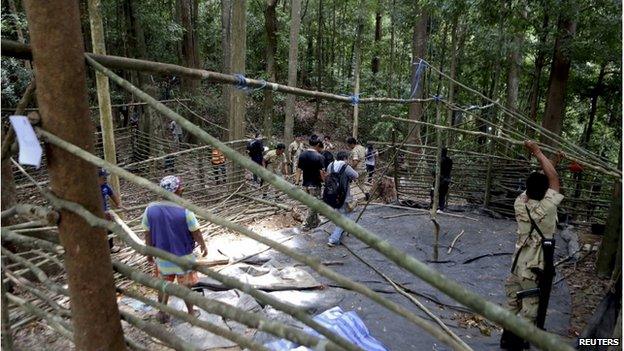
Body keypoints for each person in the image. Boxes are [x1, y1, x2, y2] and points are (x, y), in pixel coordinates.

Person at [500, 141, 563, 350]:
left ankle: (506, 339)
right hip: (534, 266)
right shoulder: (548, 207)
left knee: (511, 302)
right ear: (546, 192)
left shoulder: (520, 202)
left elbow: (545, 181)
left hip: (517, 263)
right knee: (530, 308)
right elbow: (553, 180)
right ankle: (518, 343)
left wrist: (552, 160)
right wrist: (538, 152)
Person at [142, 176, 208, 323]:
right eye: (180, 187)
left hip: (162, 256)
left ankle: (162, 313)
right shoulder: (185, 211)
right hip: (183, 257)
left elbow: (147, 233)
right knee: (186, 287)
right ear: (178, 191)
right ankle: (191, 313)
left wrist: (149, 253)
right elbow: (195, 231)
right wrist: (203, 244)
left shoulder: (150, 210)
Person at [326, 151, 359, 247]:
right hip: (343, 195)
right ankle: (334, 238)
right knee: (345, 216)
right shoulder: (345, 167)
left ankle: (339, 231)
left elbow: (328, 176)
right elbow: (356, 175)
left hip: (331, 194)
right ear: (345, 158)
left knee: (339, 214)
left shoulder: (330, 165)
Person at [297, 137, 326, 231]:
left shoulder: (302, 154)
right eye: (320, 147)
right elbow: (322, 172)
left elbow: (298, 169)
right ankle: (306, 225)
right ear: (317, 145)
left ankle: (316, 221)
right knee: (314, 205)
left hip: (305, 183)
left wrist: (297, 182)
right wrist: (325, 181)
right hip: (315, 184)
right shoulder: (319, 157)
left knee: (312, 204)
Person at [98, 168, 124, 253]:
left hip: (105, 211)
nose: (106, 179)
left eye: (106, 177)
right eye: (103, 177)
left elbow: (112, 195)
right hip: (95, 212)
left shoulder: (105, 186)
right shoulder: (92, 188)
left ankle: (110, 247)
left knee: (109, 227)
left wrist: (118, 204)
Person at [430, 148, 453, 212]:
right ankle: (440, 208)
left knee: (433, 192)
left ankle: (433, 206)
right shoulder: (450, 160)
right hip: (446, 180)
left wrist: (434, 174)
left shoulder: (440, 160)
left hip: (440, 179)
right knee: (442, 194)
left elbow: (434, 171)